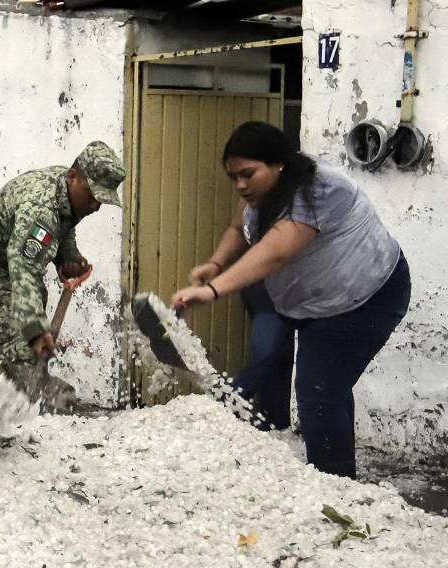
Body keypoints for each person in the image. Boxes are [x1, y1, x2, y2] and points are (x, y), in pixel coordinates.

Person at [173, 121, 411, 477]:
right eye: (233, 176)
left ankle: (335, 486)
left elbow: (276, 251)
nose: (240, 185)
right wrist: (215, 263)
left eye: (247, 174)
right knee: (313, 378)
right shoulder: (258, 194)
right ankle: (338, 475)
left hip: (365, 297)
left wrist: (213, 289)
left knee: (318, 391)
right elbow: (240, 228)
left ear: (278, 163)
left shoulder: (319, 190)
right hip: (308, 302)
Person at [0, 140, 125, 410]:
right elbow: (23, 269)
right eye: (93, 195)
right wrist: (35, 330)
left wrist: (68, 256)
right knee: (17, 349)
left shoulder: (66, 192)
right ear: (73, 177)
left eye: (102, 200)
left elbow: (65, 225)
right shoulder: (41, 209)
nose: (95, 205)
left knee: (23, 352)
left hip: (12, 267)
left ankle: (2, 416)